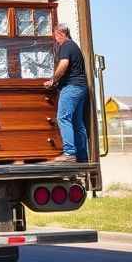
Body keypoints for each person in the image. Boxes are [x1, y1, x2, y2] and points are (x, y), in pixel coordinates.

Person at [44, 23, 89, 163]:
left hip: (71, 88)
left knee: (63, 118)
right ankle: (82, 156)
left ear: (60, 33)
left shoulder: (66, 45)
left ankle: (69, 153)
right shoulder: (74, 46)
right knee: (77, 122)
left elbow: (63, 65)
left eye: (55, 36)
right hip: (81, 88)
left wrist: (53, 80)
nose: (55, 40)